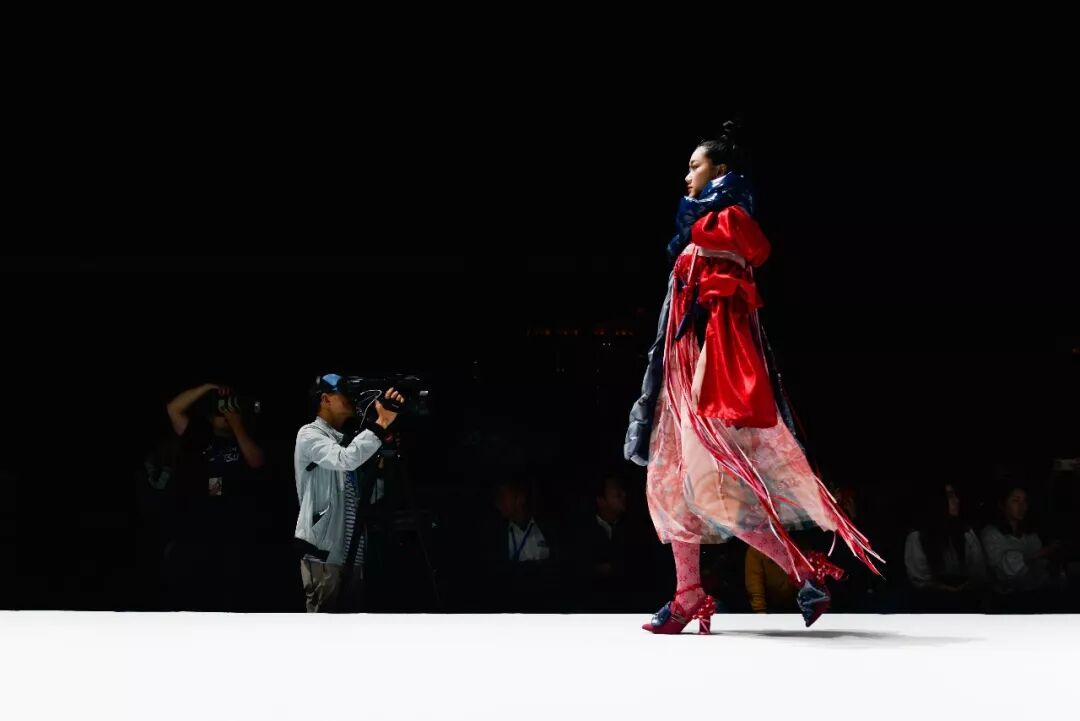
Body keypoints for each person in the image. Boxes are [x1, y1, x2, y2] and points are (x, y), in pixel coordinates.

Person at [626, 122, 883, 633]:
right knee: (675, 485)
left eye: (695, 165)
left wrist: (701, 388)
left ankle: (801, 570)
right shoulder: (705, 226)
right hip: (679, 383)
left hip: (704, 385)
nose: (687, 175)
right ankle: (688, 593)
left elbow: (726, 318)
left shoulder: (727, 226)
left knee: (716, 492)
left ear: (721, 170)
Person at [293, 373, 404, 612]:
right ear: (325, 399)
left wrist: (380, 470)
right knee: (324, 627)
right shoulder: (309, 434)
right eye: (343, 394)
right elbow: (345, 459)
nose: (351, 399)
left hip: (353, 553)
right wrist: (380, 424)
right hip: (324, 554)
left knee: (351, 627)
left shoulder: (346, 441)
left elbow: (366, 497)